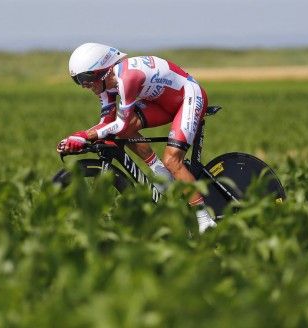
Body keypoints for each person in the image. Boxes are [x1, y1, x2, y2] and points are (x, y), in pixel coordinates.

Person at [57, 43, 217, 234]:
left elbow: (121, 123)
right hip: (161, 102)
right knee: (121, 131)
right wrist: (77, 137)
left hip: (187, 97)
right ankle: (160, 172)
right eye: (79, 82)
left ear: (101, 71)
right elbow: (107, 122)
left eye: (86, 80)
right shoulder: (105, 85)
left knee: (173, 160)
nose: (85, 86)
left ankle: (205, 221)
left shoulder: (127, 78)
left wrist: (85, 135)